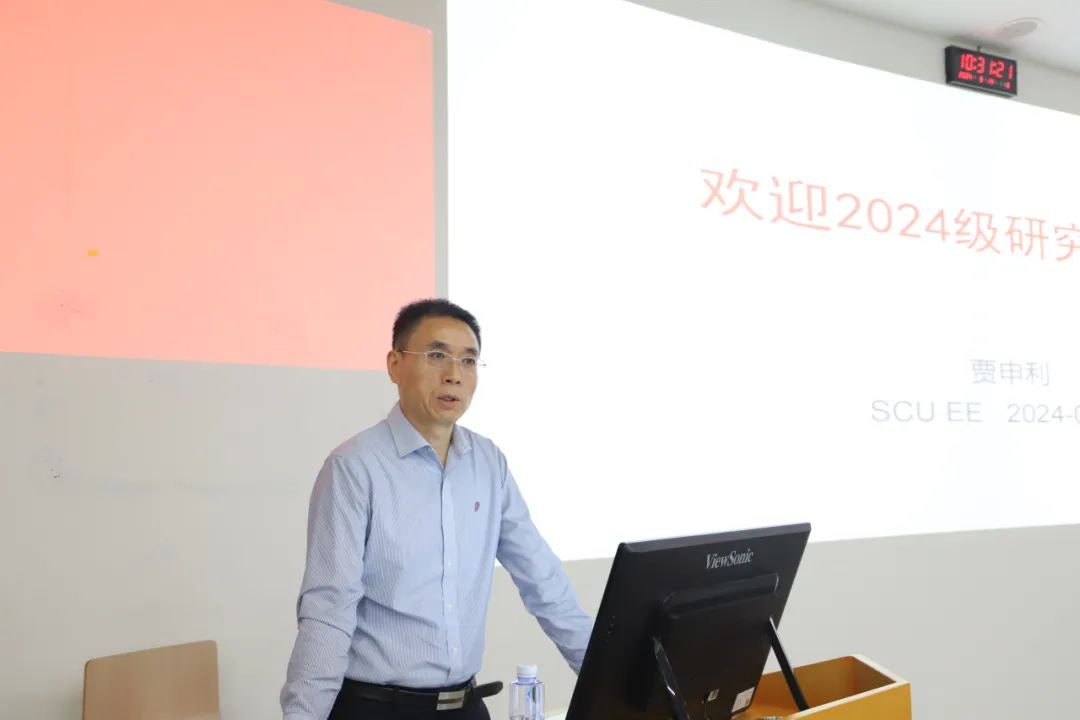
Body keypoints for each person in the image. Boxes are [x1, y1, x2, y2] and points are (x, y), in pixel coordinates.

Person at [281, 298, 593, 720]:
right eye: (437, 355)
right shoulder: (354, 467)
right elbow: (328, 610)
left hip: (466, 706)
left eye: (468, 361)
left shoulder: (489, 464)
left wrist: (611, 680)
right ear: (395, 364)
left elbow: (544, 581)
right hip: (377, 709)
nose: (454, 375)